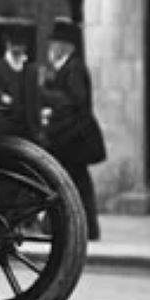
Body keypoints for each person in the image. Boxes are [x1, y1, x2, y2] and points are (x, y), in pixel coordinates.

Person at [39, 17, 104, 242]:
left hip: (74, 136)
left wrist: (44, 93)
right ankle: (82, 228)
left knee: (67, 181)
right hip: (70, 135)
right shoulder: (66, 67)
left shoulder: (74, 67)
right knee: (74, 181)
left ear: (65, 46)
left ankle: (72, 227)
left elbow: (74, 101)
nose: (51, 48)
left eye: (54, 44)